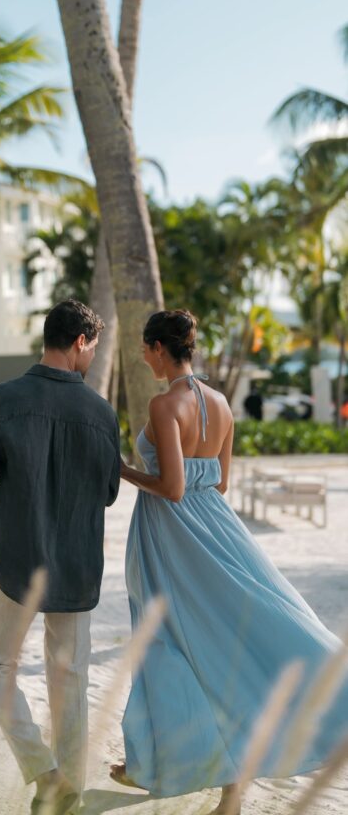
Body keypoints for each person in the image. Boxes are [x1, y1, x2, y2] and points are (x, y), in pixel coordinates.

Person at [110, 309, 348, 815]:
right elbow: (218, 483)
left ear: (158, 348)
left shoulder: (163, 404)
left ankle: (152, 761)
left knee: (169, 644)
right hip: (218, 530)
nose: (143, 356)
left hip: (173, 539)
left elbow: (170, 489)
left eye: (144, 348)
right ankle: (226, 794)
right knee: (224, 648)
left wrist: (123, 470)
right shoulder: (220, 404)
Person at [0, 299, 121, 815]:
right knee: (70, 676)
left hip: (14, 562)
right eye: (93, 347)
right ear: (79, 342)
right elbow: (110, 492)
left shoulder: (4, 399)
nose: (92, 356)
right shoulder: (100, 412)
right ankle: (67, 789)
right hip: (76, 567)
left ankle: (44, 773)